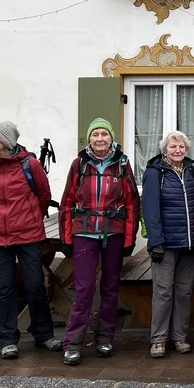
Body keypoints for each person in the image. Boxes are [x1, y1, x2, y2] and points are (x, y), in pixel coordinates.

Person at [0, 121, 61, 360]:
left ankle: (43, 335)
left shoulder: (30, 165)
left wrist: (29, 217)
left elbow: (44, 196)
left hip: (28, 235)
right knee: (4, 289)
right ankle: (8, 340)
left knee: (35, 286)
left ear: (6, 141)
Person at [58, 117, 139, 367]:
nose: (100, 139)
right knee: (84, 289)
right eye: (95, 135)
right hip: (84, 232)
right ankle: (73, 343)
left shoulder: (122, 164)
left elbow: (131, 203)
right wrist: (66, 238)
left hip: (113, 232)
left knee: (110, 286)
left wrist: (129, 239)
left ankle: (105, 338)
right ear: (89, 139)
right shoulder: (79, 164)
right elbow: (67, 202)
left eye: (104, 134)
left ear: (111, 138)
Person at [141, 131, 194, 359]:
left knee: (184, 292)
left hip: (189, 244)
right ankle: (158, 339)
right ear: (164, 150)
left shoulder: (191, 171)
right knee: (164, 292)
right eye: (172, 147)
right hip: (164, 244)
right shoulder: (155, 173)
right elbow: (150, 209)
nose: (177, 150)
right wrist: (155, 241)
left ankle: (179, 337)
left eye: (181, 147)